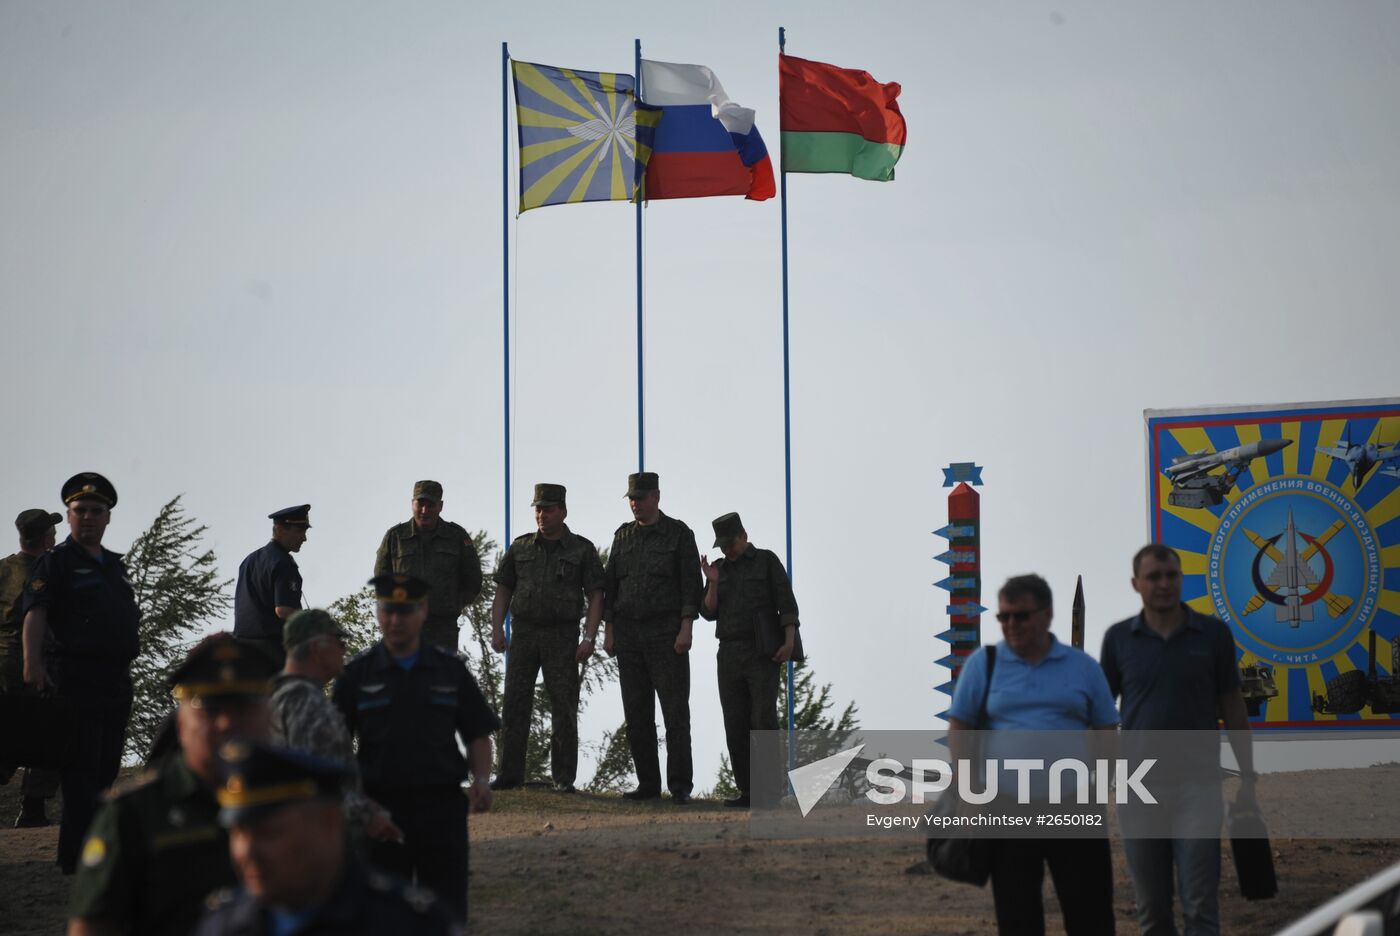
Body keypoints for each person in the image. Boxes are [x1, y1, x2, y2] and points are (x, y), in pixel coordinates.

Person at [66, 633, 276, 936]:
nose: (227, 723)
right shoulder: (134, 813)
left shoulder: (303, 802)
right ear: (180, 722)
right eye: (210, 707)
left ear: (270, 716)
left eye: (242, 705)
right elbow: (92, 926)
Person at [947, 574, 1119, 936]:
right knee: (1018, 918)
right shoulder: (985, 664)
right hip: (1007, 806)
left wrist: (1101, 784)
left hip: (1074, 805)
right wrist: (968, 792)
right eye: (1004, 617)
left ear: (1047, 614)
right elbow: (960, 727)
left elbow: (1106, 728)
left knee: (1091, 915)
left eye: (1021, 616)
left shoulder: (1083, 667)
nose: (1011, 625)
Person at [1100, 543, 1257, 936]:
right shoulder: (1119, 640)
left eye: (1171, 575)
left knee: (1201, 905)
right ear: (1136, 584)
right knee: (1152, 911)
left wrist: (1248, 775)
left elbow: (1233, 706)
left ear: (1181, 579)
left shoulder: (1214, 635)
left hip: (1198, 788)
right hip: (1139, 791)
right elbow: (1101, 716)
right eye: (1154, 577)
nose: (1164, 584)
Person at [333, 573, 499, 922]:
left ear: (422, 611)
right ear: (378, 612)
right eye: (387, 611)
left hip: (441, 811)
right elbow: (337, 752)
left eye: (405, 612)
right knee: (381, 919)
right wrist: (359, 808)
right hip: (380, 812)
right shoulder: (356, 675)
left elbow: (477, 732)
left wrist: (482, 780)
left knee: (446, 912)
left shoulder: (450, 670)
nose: (395, 621)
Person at [194, 742, 461, 936]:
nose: (248, 852)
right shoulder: (221, 925)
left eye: (269, 833)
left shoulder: (410, 925)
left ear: (329, 822)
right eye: (238, 834)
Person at [21, 473, 141, 875]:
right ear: (70, 518)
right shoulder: (54, 563)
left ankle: (92, 851)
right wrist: (32, 664)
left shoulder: (115, 566)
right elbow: (35, 613)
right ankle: (76, 859)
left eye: (96, 511)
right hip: (74, 680)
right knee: (81, 772)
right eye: (81, 511)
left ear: (107, 518)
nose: (88, 517)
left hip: (115, 681)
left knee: (106, 769)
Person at [489, 483, 604, 792]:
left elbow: (595, 596)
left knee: (564, 706)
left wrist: (589, 637)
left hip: (562, 636)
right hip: (524, 633)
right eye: (538, 508)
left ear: (563, 512)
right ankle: (509, 774)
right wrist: (497, 628)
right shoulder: (521, 547)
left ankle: (564, 778)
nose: (542, 514)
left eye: (548, 509)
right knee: (514, 704)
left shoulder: (582, 549)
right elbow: (503, 589)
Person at [602, 471, 701, 804]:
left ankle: (679, 786)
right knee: (637, 715)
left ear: (656, 497)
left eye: (641, 498)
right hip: (629, 635)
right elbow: (611, 588)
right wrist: (609, 629)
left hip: (666, 635)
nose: (635, 504)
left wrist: (686, 627)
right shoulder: (623, 537)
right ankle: (647, 784)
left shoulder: (678, 534)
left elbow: (691, 587)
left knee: (675, 715)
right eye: (631, 498)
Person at [269, 608, 400, 844]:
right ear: (316, 649)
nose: (344, 649)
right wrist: (369, 815)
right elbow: (316, 783)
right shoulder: (305, 702)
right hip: (314, 841)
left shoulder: (278, 697)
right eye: (338, 641)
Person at [698, 512, 799, 808]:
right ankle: (748, 791)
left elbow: (787, 604)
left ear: (744, 535)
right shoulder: (719, 569)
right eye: (723, 546)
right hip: (729, 652)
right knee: (735, 722)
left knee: (763, 719)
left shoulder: (766, 561)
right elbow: (707, 611)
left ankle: (770, 791)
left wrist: (789, 642)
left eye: (731, 543)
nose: (728, 550)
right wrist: (713, 583)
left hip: (761, 652)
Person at [0, 508, 63, 826]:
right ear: (46, 538)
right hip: (37, 661)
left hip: (1, 661)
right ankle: (33, 807)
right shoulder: (49, 570)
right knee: (47, 731)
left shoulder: (4, 568)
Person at [374, 480, 483, 654]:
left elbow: (473, 579)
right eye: (420, 504)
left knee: (440, 680)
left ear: (440, 506)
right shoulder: (395, 537)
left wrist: (453, 604)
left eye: (430, 505)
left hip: (443, 628)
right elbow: (382, 580)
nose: (424, 511)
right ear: (412, 504)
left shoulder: (456, 536)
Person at [233, 505, 311, 667]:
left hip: (241, 650)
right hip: (271, 652)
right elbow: (284, 610)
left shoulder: (250, 560)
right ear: (280, 530)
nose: (304, 538)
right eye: (299, 531)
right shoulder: (283, 563)